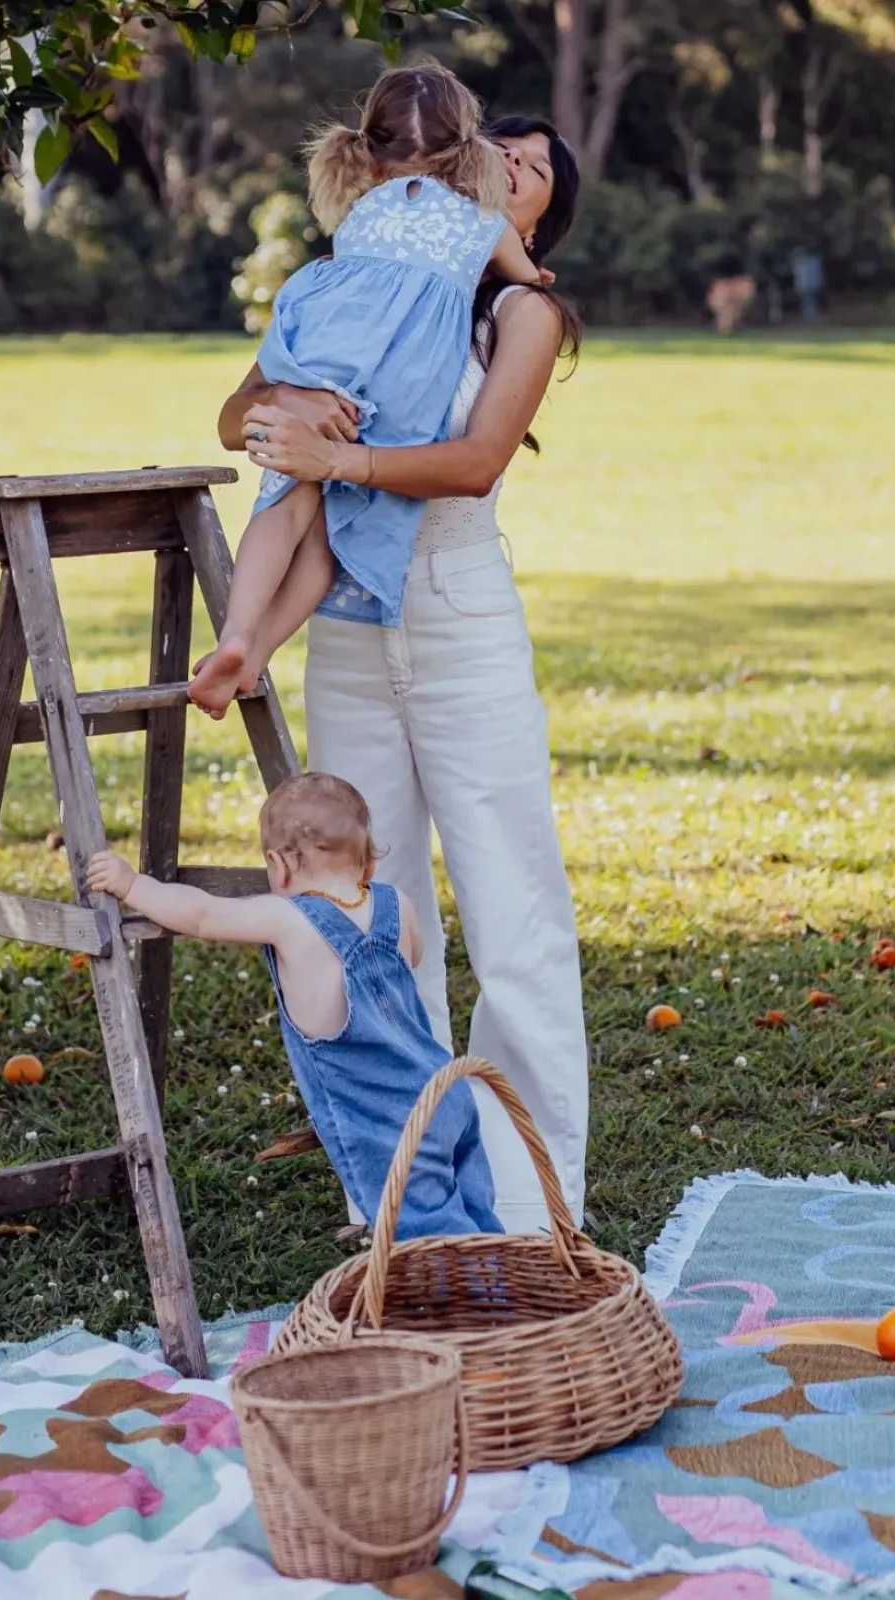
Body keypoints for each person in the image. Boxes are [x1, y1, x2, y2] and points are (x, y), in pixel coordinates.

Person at [214, 118, 589, 1236]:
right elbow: (237, 413)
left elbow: (472, 466)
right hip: (346, 626)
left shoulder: (524, 314)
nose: (506, 167)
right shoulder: (347, 283)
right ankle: (401, 1197)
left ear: (527, 222)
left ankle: (529, 1207)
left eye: (532, 173)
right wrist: (285, 411)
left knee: (512, 909)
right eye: (498, 150)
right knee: (367, 910)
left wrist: (342, 458)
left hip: (460, 616)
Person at [188, 63, 547, 717]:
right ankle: (261, 648)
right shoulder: (482, 219)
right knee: (332, 530)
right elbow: (528, 275)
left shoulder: (358, 213)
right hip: (407, 378)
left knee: (286, 500)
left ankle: (238, 633)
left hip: (328, 353)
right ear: (469, 149)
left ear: (367, 148)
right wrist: (535, 270)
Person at [87, 772, 502, 1240]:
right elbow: (413, 958)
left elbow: (201, 913)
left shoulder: (287, 917)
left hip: (390, 1118)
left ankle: (467, 1307)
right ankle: (515, 1284)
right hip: (446, 1093)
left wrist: (131, 884)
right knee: (477, 1213)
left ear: (279, 864)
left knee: (425, 1232)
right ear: (367, 861)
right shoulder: (395, 904)